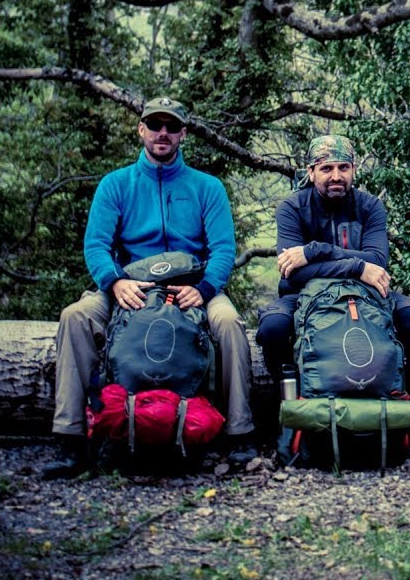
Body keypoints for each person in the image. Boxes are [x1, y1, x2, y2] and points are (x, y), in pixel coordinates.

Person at [43, 97, 254, 479]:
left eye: (171, 127)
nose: (163, 133)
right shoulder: (116, 184)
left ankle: (239, 434)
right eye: (155, 125)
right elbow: (96, 244)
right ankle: (70, 439)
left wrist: (206, 289)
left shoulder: (207, 187)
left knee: (229, 324)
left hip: (192, 286)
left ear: (183, 134)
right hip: (128, 284)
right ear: (141, 130)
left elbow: (223, 248)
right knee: (75, 317)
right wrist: (114, 282)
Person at [255, 134, 410, 403]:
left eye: (343, 167)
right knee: (273, 327)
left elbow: (377, 261)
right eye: (326, 168)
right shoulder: (292, 208)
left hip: (367, 294)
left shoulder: (370, 206)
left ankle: (405, 398)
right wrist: (358, 266)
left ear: (353, 170)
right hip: (303, 295)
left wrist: (317, 251)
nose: (336, 176)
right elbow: (294, 273)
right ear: (311, 172)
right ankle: (292, 404)